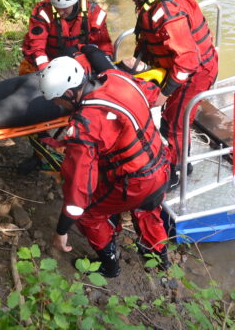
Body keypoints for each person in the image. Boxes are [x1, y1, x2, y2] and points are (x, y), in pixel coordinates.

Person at [41, 56, 171, 277]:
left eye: (57, 100)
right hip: (162, 164)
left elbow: (79, 189)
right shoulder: (117, 77)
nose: (57, 106)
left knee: (88, 213)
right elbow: (152, 95)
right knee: (148, 210)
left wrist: (62, 230)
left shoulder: (87, 123)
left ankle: (109, 265)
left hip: (135, 182)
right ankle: (161, 260)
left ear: (70, 93)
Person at [112, 0, 218, 187]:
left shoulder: (167, 9)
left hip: (195, 71)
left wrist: (165, 93)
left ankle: (176, 170)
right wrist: (139, 61)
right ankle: (182, 161)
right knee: (174, 120)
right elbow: (155, 36)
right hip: (183, 65)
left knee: (173, 123)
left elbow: (188, 60)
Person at [19, 0, 114, 173]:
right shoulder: (43, 12)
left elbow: (103, 48)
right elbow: (36, 46)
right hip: (45, 66)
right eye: (58, 8)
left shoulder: (94, 14)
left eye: (66, 9)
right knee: (31, 108)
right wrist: (47, 73)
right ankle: (38, 154)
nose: (61, 13)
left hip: (77, 69)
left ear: (76, 0)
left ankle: (80, 152)